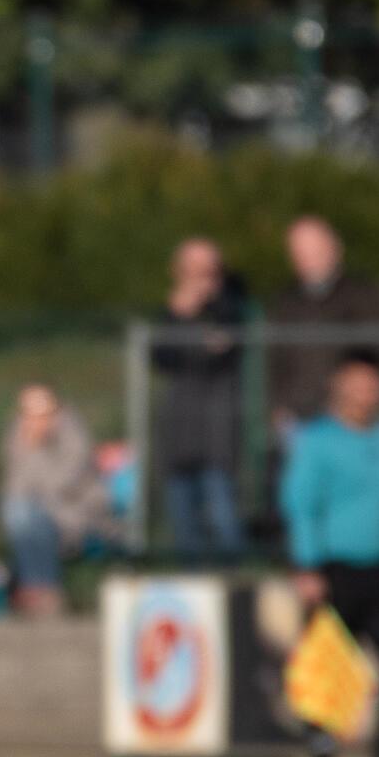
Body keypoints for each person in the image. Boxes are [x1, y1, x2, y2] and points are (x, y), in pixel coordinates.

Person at [280, 350, 379, 757]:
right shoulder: (317, 440)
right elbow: (301, 505)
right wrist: (307, 565)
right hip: (334, 570)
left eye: (373, 382)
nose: (365, 391)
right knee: (326, 673)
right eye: (357, 381)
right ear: (339, 385)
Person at [153, 237, 247, 563]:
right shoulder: (171, 313)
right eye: (191, 270)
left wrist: (202, 310)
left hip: (217, 433)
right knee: (184, 525)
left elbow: (221, 352)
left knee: (224, 519)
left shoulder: (232, 307)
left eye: (207, 270)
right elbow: (161, 357)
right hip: (181, 431)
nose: (199, 278)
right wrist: (177, 316)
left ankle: (235, 587)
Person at [0, 385, 111, 617]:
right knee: (17, 512)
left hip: (77, 512)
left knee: (28, 515)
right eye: (29, 414)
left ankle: (42, 588)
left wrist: (41, 449)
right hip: (35, 514)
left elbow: (64, 483)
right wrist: (30, 446)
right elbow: (15, 489)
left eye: (43, 413)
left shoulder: (72, 435)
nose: (37, 420)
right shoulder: (19, 438)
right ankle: (40, 589)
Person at [268, 215, 379, 432]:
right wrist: (277, 406)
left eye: (315, 251)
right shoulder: (285, 303)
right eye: (301, 253)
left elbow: (373, 354)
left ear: (335, 248)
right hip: (297, 416)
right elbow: (274, 361)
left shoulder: (362, 296)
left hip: (350, 417)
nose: (308, 260)